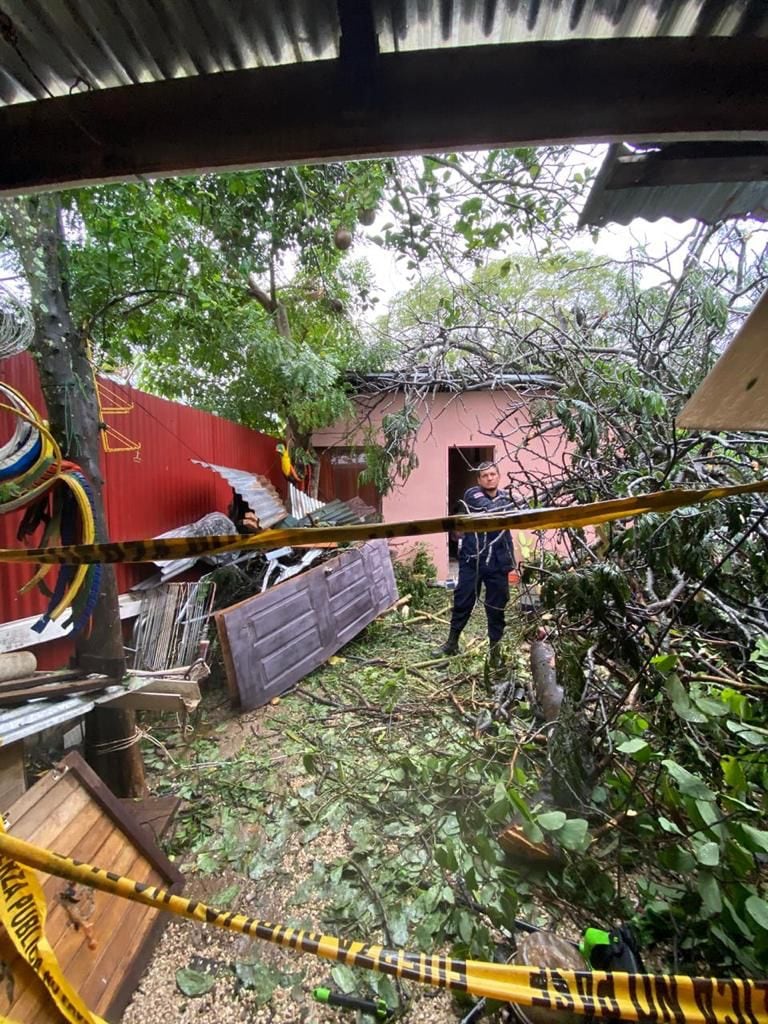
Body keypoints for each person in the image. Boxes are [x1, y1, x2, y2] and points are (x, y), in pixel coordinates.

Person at [435, 461, 517, 662]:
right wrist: (508, 505)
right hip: (474, 558)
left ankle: (495, 650)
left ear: (498, 476)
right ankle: (451, 643)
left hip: (499, 560)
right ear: (479, 479)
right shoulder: (472, 495)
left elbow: (518, 507)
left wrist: (510, 504)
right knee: (463, 600)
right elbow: (490, 509)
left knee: (496, 607)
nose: (489, 478)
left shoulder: (507, 497)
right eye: (485, 475)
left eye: (492, 474)